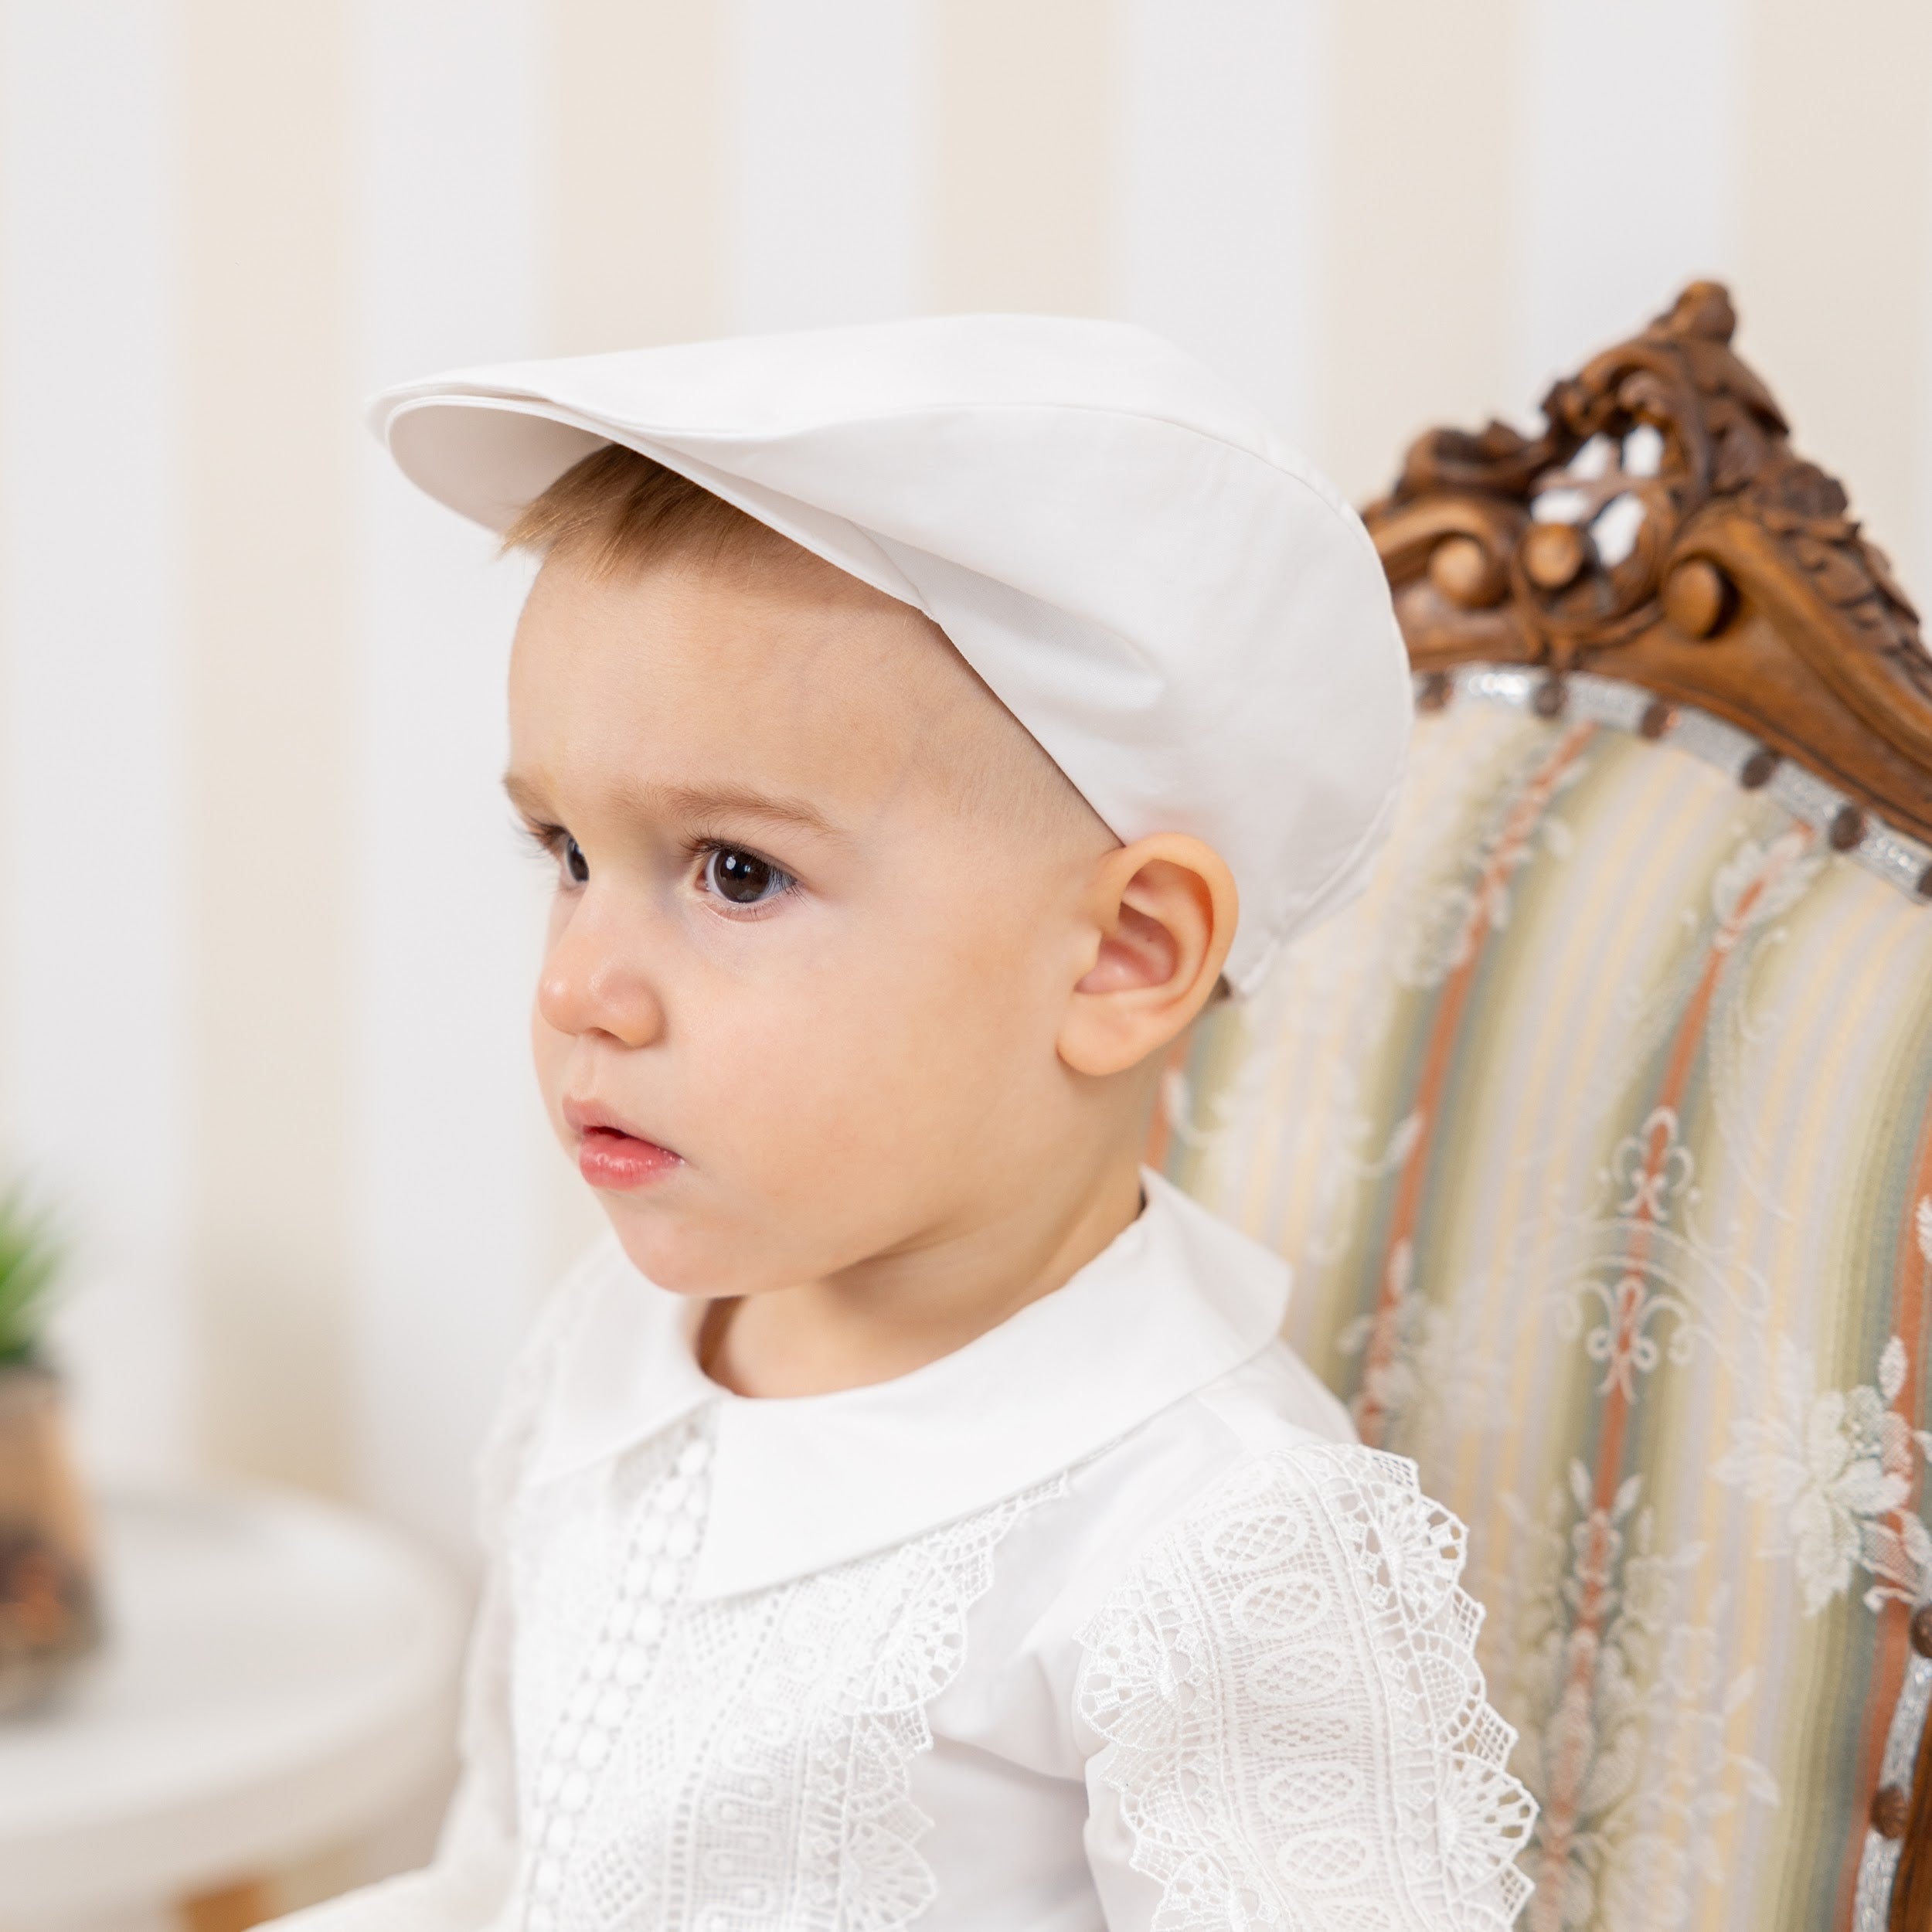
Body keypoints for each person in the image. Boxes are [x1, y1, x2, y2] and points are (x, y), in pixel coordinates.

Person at [282, 316, 1535, 1931]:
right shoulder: (619, 1345)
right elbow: (515, 1873)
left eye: (734, 869)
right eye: (564, 850)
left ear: (1122, 953)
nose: (582, 983)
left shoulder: (1209, 1540)